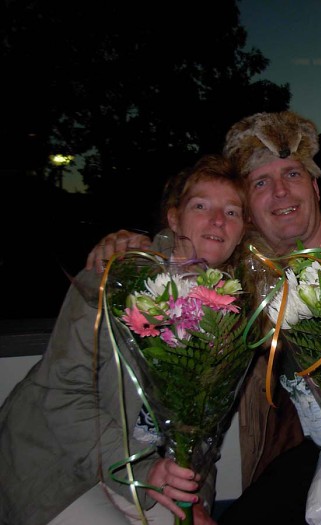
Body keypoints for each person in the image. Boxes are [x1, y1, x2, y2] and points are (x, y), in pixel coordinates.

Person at [85, 110, 321, 523]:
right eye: (261, 182)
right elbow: (185, 257)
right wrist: (131, 244)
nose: (280, 192)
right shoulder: (242, 281)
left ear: (314, 186)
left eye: (292, 175)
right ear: (248, 210)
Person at [0, 154, 246, 525]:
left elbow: (204, 438)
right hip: (60, 466)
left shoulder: (229, 316)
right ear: (174, 217)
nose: (217, 220)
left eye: (232, 212)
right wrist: (145, 473)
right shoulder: (116, 275)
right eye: (201, 205)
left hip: (148, 471)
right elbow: (63, 394)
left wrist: (197, 501)